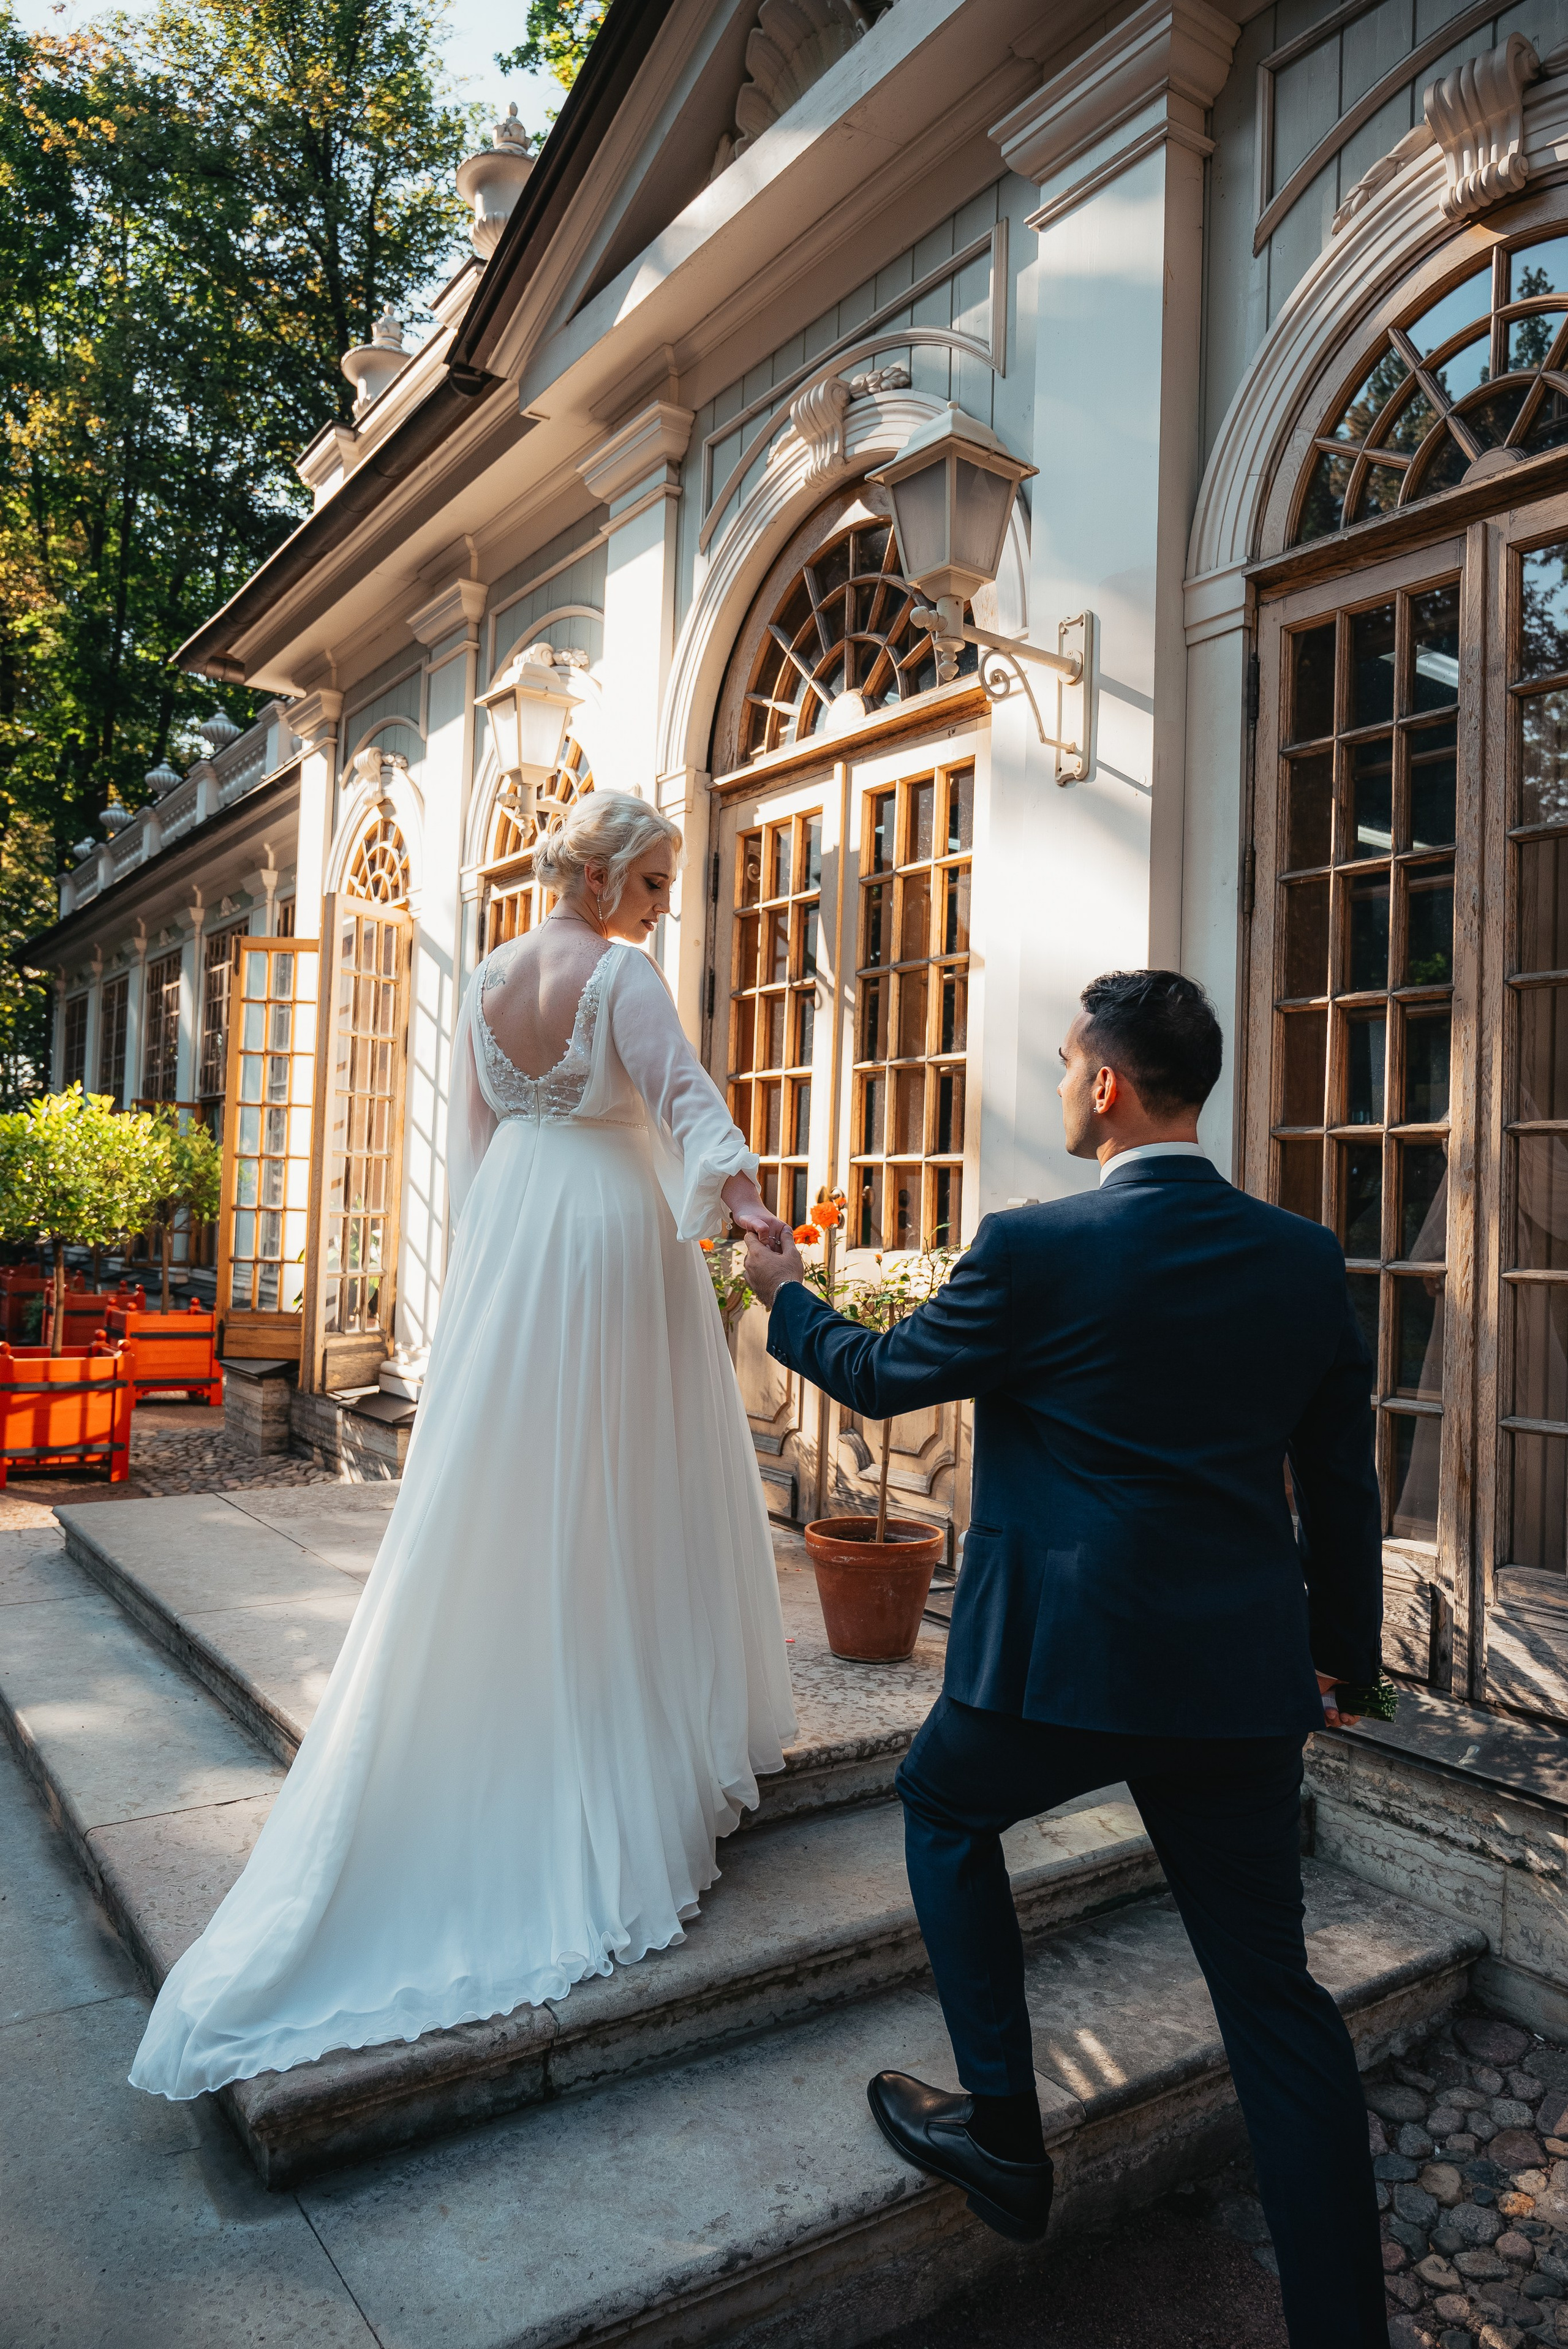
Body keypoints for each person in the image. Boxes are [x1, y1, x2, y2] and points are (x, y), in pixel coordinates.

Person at [744, 970, 1386, 2349]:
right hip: (1234, 1685)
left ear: (1104, 1085)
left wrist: (780, 1292)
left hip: (1057, 1669)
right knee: (1271, 1995)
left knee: (938, 1807)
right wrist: (1338, 1662)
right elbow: (1341, 1485)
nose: (1050, 1084)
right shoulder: (1296, 1256)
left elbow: (877, 1373)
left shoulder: (1034, 1248)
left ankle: (1002, 2137)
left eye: (1058, 1063)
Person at [131, 790, 797, 2100]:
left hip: (520, 1237)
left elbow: (476, 1145)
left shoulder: (488, 974)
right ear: (605, 879)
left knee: (529, 1487)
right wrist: (753, 1214)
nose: (664, 903)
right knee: (628, 1482)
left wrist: (476, 1285)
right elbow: (686, 1102)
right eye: (655, 881)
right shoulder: (619, 973)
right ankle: (612, 1740)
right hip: (609, 1238)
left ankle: (550, 1691)